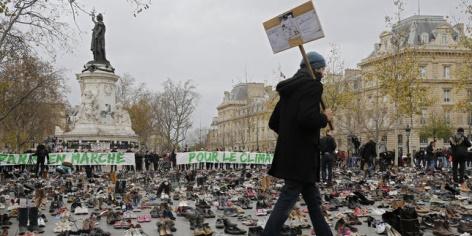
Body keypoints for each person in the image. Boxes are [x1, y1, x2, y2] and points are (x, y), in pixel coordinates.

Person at [262, 51, 333, 236]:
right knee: (288, 198)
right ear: (316, 68)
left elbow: (273, 122)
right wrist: (324, 117)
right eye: (323, 69)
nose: (324, 73)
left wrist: (290, 137)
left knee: (312, 199)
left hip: (290, 154)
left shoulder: (288, 89)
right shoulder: (313, 86)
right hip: (303, 156)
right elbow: (307, 119)